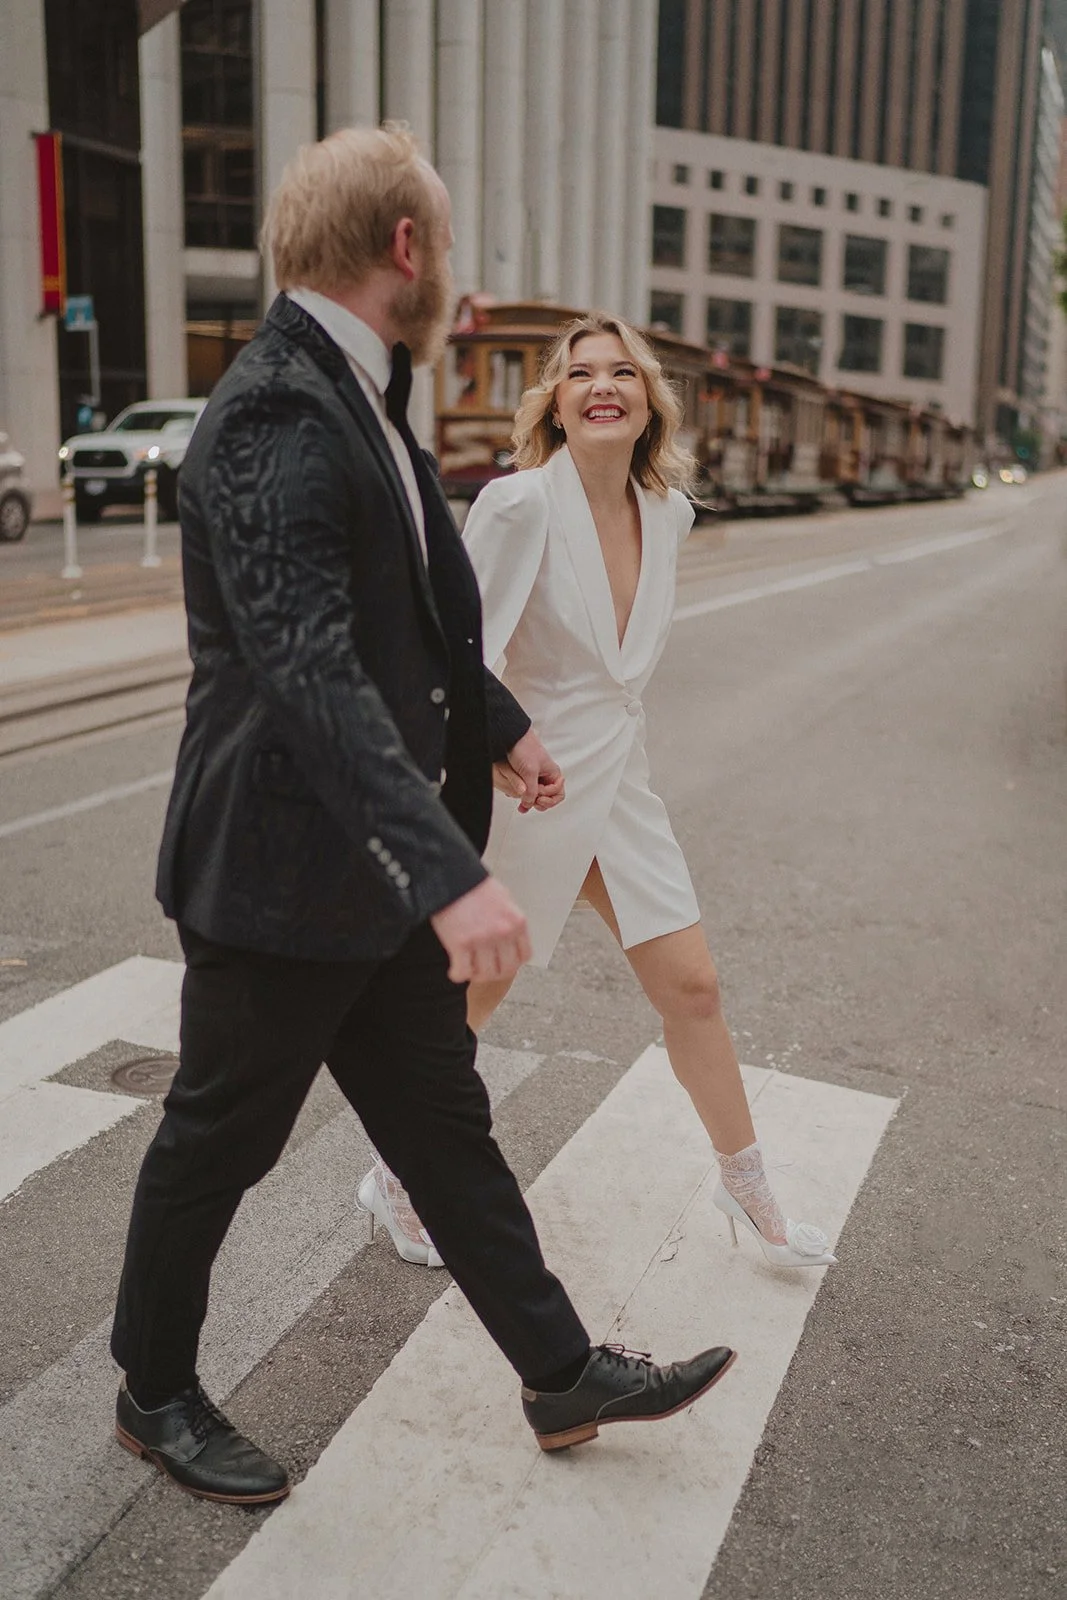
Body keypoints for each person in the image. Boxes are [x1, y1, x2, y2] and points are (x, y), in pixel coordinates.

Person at [108, 128, 735, 1506]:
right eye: (442, 237)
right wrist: (450, 872)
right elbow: (305, 667)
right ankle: (152, 1388)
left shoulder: (364, 392)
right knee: (219, 1137)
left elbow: (422, 630)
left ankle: (559, 1371)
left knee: (444, 1127)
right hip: (283, 873)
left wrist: (501, 733)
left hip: (375, 877)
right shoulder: (277, 407)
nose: (450, 262)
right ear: (405, 247)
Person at [359, 312, 836, 1275]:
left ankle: (747, 1187)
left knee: (693, 987)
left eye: (621, 372)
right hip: (526, 788)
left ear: (648, 402)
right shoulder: (518, 505)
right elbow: (457, 652)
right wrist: (495, 750)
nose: (601, 386)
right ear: (556, 403)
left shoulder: (669, 514)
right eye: (579, 374)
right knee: (471, 1001)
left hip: (620, 786)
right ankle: (395, 1178)